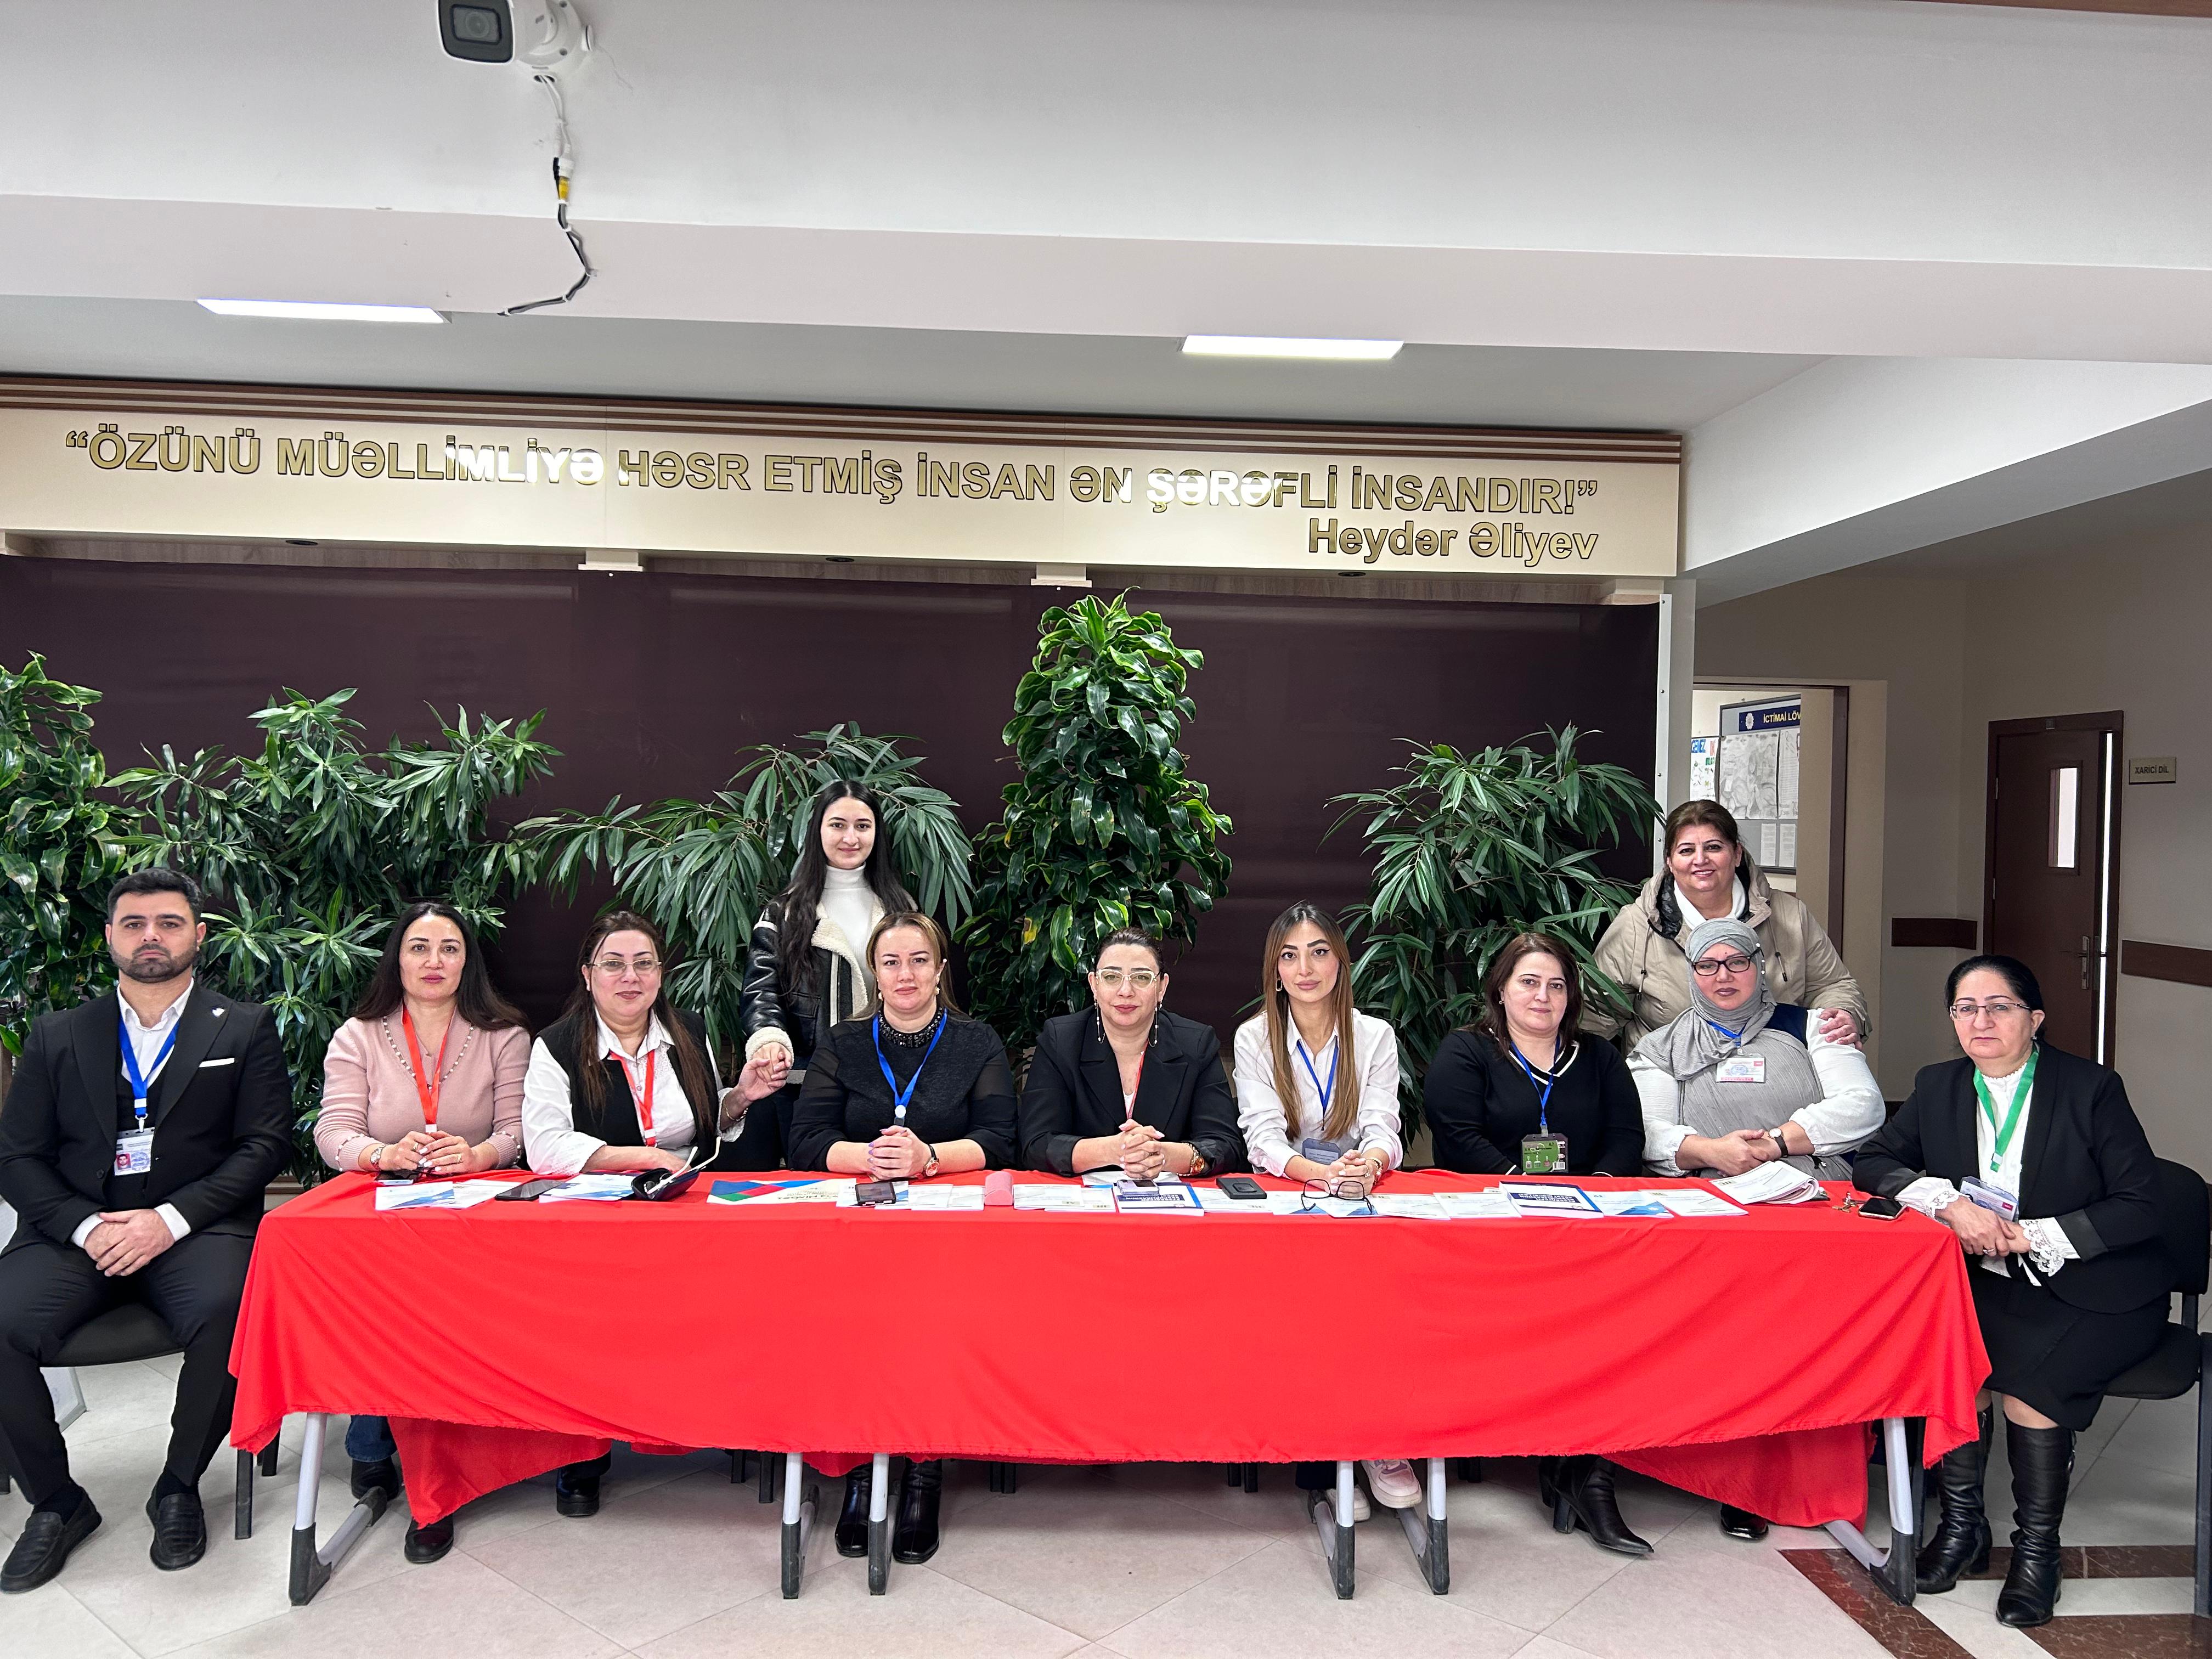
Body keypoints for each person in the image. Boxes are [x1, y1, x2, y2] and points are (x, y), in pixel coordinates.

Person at [0, 870, 291, 1592]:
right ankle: (57, 1503)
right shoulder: (58, 1034)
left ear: (199, 934)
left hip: (197, 1228)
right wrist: (83, 1227)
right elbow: (17, 1156)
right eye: (134, 924)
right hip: (79, 1232)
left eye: (168, 922)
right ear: (110, 937)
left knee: (231, 1312)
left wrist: (168, 1220)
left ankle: (177, 1486)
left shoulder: (243, 1027)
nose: (150, 937)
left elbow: (264, 1145)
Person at [1855, 956, 2166, 1629]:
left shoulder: (2090, 1088)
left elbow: (2144, 1205)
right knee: (1954, 1359)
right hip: (1992, 1283)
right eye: (1965, 1009)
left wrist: (2031, 1236)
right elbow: (1874, 1160)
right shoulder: (1938, 1085)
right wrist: (1949, 1205)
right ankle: (1963, 1528)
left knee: (2029, 1385)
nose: (1981, 1021)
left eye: (2000, 1007)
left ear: (2036, 1019)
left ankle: (2037, 1551)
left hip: (2095, 1286)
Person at [1626, 917, 1886, 1548]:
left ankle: (1812, 1475)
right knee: (1729, 1339)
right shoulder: (1659, 1047)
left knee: (1808, 1339)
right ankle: (1737, 1482)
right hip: (1716, 1211)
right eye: (1707, 965)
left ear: (1759, 966)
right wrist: (1711, 1151)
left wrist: (1773, 1142)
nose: (1723, 976)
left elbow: (1863, 1107)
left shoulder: (1813, 1027)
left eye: (1737, 962)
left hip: (1810, 1204)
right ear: (1691, 973)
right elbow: (1649, 1134)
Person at [522, 909, 783, 1516]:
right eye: (614, 964)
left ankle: (712, 1421)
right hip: (598, 1223)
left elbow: (705, 1125)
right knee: (586, 1325)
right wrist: (642, 1157)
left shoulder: (687, 1031)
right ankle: (583, 1455)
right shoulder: (555, 1045)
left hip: (679, 1214)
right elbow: (545, 1147)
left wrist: (740, 1098)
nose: (630, 977)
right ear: (588, 975)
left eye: (643, 964)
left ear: (661, 974)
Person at [789, 911, 1017, 1566]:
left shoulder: (977, 1042)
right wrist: (869, 1158)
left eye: (919, 960)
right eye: (891, 962)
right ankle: (864, 1469)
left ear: (940, 970)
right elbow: (805, 1141)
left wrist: (930, 1159)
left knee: (933, 1320)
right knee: (853, 1321)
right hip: (860, 1234)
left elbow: (1003, 1139)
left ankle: (923, 1472)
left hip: (948, 1236)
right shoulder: (844, 1041)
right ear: (875, 973)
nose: (906, 975)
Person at [315, 900, 532, 1563]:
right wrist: (382, 1154)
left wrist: (479, 1155)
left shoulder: (505, 1036)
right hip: (387, 1212)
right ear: (398, 959)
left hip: (474, 1215)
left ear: (468, 962)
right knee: (377, 1303)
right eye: (419, 948)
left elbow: (518, 1131)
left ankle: (456, 1449)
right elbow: (333, 1133)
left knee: (458, 1312)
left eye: (449, 949)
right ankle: (372, 1439)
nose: (434, 961)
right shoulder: (358, 1035)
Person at [1232, 901, 1410, 1517]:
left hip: (1361, 1195)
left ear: (1341, 961)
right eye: (1289, 956)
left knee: (1383, 1304)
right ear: (1274, 970)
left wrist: (1369, 1165)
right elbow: (1261, 1138)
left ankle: (1379, 1442)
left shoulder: (1375, 1035)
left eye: (1318, 952)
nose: (1305, 969)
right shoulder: (1255, 1037)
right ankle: (1326, 1458)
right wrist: (1320, 1175)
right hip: (1291, 1199)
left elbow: (1384, 1124)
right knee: (1305, 1311)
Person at [1585, 800, 1867, 1048]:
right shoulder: (1636, 925)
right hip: (1671, 1077)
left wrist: (1843, 1014)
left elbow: (1832, 985)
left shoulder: (1790, 914)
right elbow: (1595, 1015)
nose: (1700, 860)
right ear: (1669, 861)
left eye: (1714, 847)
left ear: (1737, 854)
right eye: (1686, 851)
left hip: (1777, 1071)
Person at [739, 782, 916, 1165]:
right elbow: (761, 989)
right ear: (817, 829)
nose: (851, 838)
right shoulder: (784, 912)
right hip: (806, 1085)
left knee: (889, 1177)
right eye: (838, 825)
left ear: (877, 833)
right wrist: (769, 1039)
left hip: (891, 1082)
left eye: (863, 826)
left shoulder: (901, 908)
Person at [1018, 928, 1243, 1180]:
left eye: (1142, 978)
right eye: (1112, 977)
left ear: (1162, 987)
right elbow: (1036, 1144)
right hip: (1082, 1197)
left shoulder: (1196, 1044)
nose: (1126, 991)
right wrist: (1114, 1151)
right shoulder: (1061, 1040)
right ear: (1094, 985)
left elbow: (1224, 1145)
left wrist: (1162, 1155)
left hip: (1168, 1197)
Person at [1424, 932, 1642, 1178]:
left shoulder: (1601, 1056)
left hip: (1589, 1196)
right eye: (1529, 982)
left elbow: (1626, 1137)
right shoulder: (1464, 1051)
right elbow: (1458, 1138)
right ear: (1502, 990)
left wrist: (1599, 1188)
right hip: (1493, 1193)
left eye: (1556, 986)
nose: (1543, 996)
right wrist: (1527, 1190)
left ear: (1570, 996)